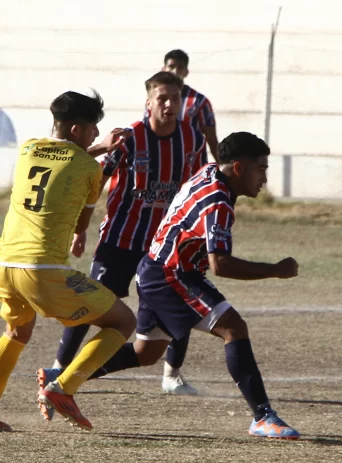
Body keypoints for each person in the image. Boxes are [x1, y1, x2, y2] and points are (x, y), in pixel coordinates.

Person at [42, 132, 300, 438]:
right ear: (239, 168)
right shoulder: (217, 202)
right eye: (261, 169)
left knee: (145, 353)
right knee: (233, 327)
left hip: (155, 268)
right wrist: (276, 270)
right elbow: (221, 265)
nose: (265, 178)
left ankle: (60, 378)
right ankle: (263, 416)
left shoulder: (210, 171)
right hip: (171, 275)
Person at [39, 72, 207, 419]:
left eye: (175, 98)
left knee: (177, 303)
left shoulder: (192, 139)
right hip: (119, 239)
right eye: (162, 97)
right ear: (148, 103)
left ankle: (171, 375)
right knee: (87, 307)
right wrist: (80, 227)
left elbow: (197, 186)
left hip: (164, 246)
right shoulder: (130, 138)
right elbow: (95, 176)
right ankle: (58, 369)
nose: (169, 104)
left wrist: (197, 234)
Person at [0, 90, 136, 431]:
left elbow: (61, 161)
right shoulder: (90, 168)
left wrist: (99, 147)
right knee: (123, 322)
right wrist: (103, 153)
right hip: (42, 269)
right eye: (93, 129)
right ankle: (63, 387)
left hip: (5, 264)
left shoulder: (28, 148)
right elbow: (80, 225)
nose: (95, 134)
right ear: (77, 130)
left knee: (17, 331)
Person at [161, 49, 219, 161]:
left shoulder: (199, 102)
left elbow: (212, 139)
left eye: (180, 67)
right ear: (164, 69)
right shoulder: (155, 100)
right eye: (171, 66)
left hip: (192, 164)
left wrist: (224, 169)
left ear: (186, 72)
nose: (175, 71)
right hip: (162, 160)